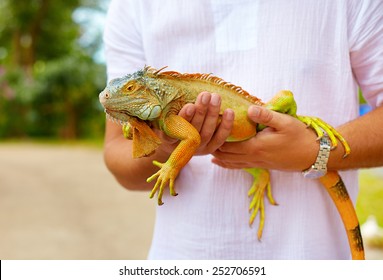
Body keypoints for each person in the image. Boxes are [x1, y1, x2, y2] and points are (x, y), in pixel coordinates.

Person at [102, 0, 383, 259]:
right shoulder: (132, 6)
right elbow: (118, 155)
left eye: (129, 90)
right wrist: (165, 146)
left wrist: (315, 150)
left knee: (276, 106)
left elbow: (188, 137)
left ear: (148, 90)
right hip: (180, 257)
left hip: (313, 256)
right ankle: (260, 176)